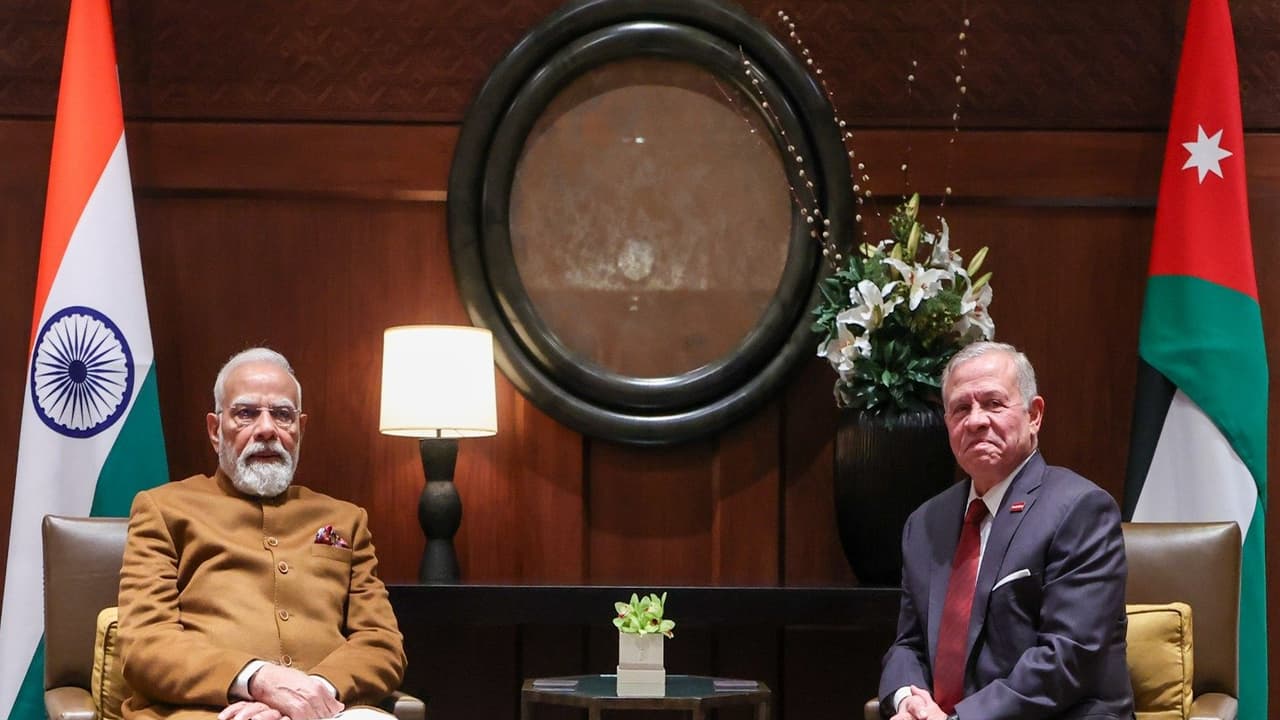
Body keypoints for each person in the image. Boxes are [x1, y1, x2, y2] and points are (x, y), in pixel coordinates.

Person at [118, 348, 406, 720]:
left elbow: (382, 644)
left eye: (282, 415)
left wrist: (311, 693)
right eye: (246, 413)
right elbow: (145, 643)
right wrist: (257, 680)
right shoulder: (164, 510)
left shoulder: (346, 519)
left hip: (328, 709)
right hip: (208, 712)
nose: (267, 429)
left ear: (300, 429)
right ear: (215, 430)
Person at [879, 342, 1134, 720]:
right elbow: (909, 645)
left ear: (1034, 415)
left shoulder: (1080, 510)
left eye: (994, 404)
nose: (976, 420)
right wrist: (908, 700)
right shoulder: (925, 523)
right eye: (961, 408)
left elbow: (1066, 658)